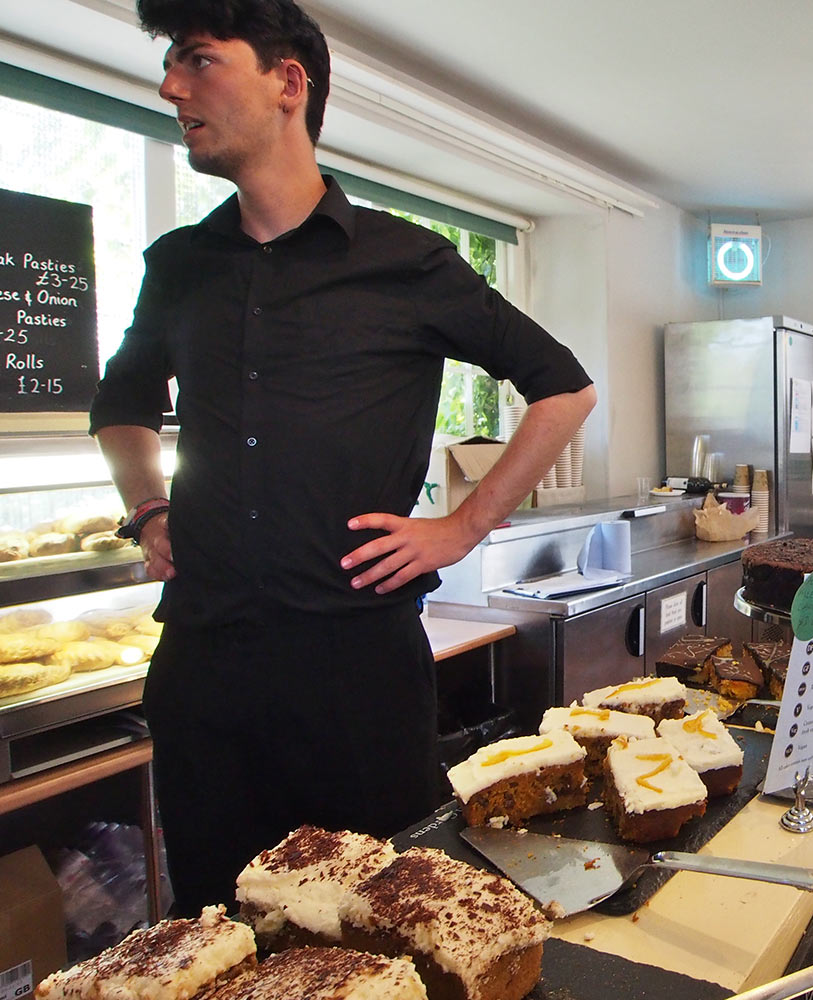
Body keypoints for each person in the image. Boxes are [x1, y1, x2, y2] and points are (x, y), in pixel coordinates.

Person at [90, 0, 596, 912]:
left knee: (375, 918)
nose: (171, 86)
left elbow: (562, 388)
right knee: (216, 921)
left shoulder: (409, 263)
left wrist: (465, 526)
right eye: (171, 63)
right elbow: (122, 401)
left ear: (289, 83)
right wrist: (149, 506)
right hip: (204, 668)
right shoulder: (178, 266)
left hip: (355, 675)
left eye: (199, 59)